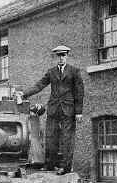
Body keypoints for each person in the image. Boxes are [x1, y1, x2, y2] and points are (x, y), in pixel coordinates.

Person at [17, 45, 84, 175]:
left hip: (68, 109)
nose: (61, 58)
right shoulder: (51, 72)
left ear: (67, 56)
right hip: (53, 109)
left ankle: (65, 167)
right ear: (56, 57)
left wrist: (79, 112)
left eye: (63, 55)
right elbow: (40, 85)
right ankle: (49, 164)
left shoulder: (74, 71)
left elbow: (79, 92)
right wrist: (24, 94)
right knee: (50, 137)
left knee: (66, 138)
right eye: (58, 56)